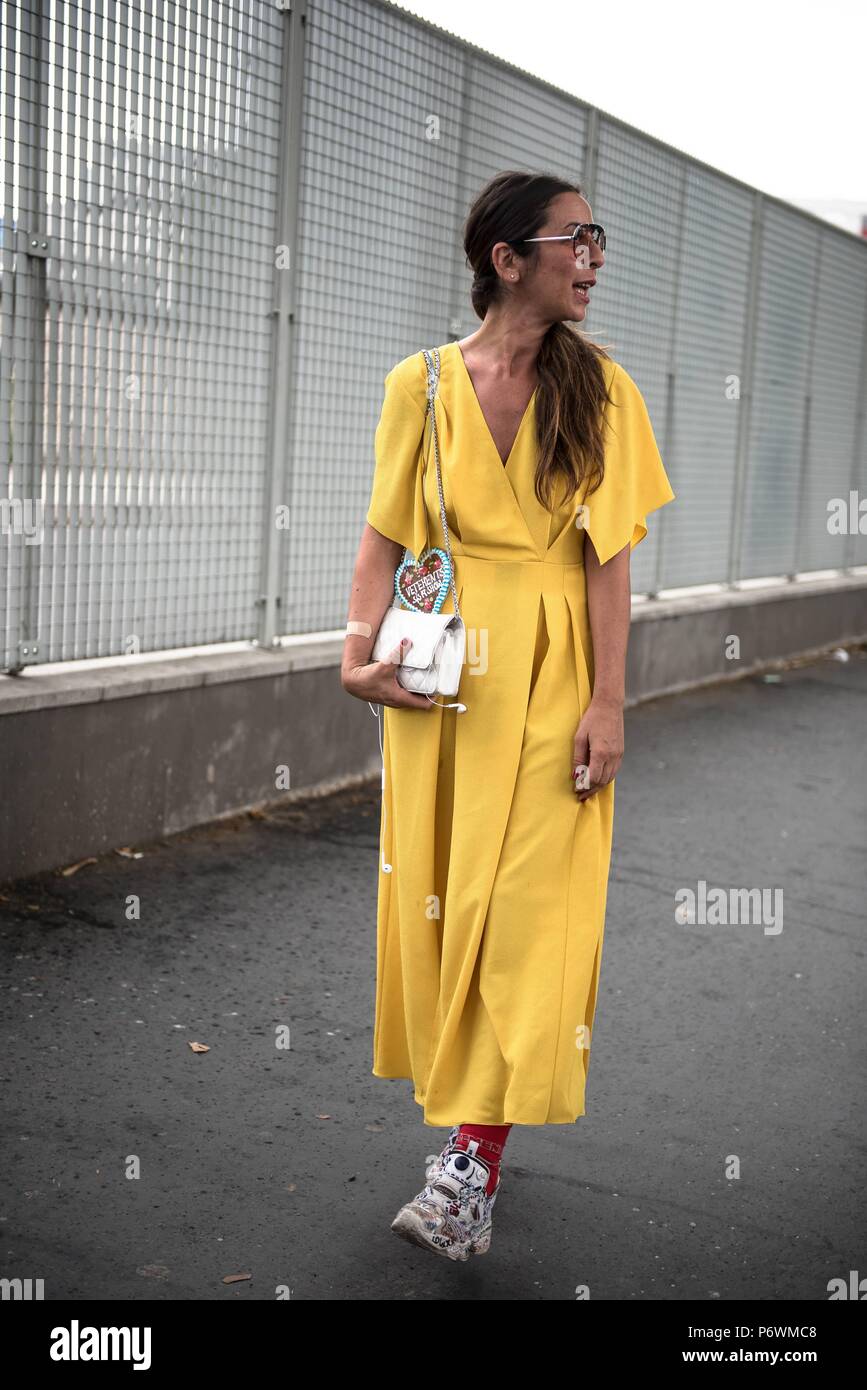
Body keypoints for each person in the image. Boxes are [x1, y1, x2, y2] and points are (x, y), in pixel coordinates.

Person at [341, 170, 676, 1262]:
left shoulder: (605, 391)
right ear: (507, 258)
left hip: (553, 672)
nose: (594, 255)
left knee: (530, 918)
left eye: (597, 238)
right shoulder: (421, 387)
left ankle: (469, 1166)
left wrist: (609, 702)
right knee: (445, 913)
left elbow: (609, 562)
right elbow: (387, 535)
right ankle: (470, 1126)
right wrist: (357, 656)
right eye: (576, 237)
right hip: (444, 680)